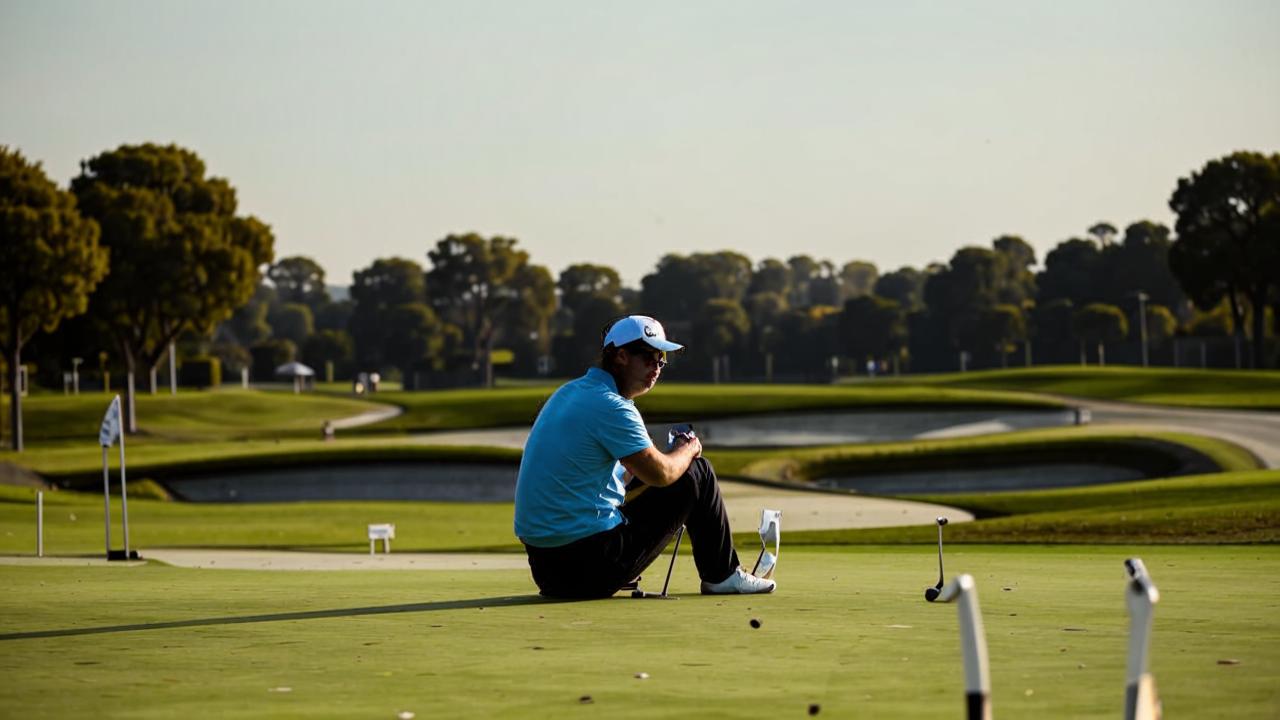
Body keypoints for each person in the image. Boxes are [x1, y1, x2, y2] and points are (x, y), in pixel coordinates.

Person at [513, 315, 776, 599]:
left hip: (546, 571)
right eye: (648, 357)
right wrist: (687, 449)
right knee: (698, 473)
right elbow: (661, 475)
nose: (657, 367)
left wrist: (653, 461)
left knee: (672, 473)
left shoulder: (569, 393)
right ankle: (721, 575)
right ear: (622, 356)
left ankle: (719, 573)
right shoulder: (612, 406)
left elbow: (612, 478)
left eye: (661, 359)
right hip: (590, 565)